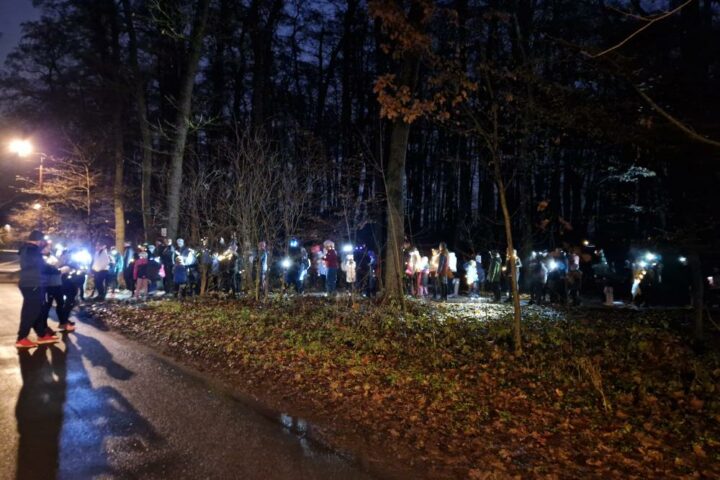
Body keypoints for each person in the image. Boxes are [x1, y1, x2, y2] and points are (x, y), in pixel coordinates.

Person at [16, 230, 64, 348]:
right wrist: (58, 270)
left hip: (31, 283)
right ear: (39, 240)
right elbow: (41, 267)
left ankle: (41, 335)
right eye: (43, 241)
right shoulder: (32, 250)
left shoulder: (28, 249)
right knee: (31, 312)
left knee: (36, 310)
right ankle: (21, 338)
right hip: (32, 284)